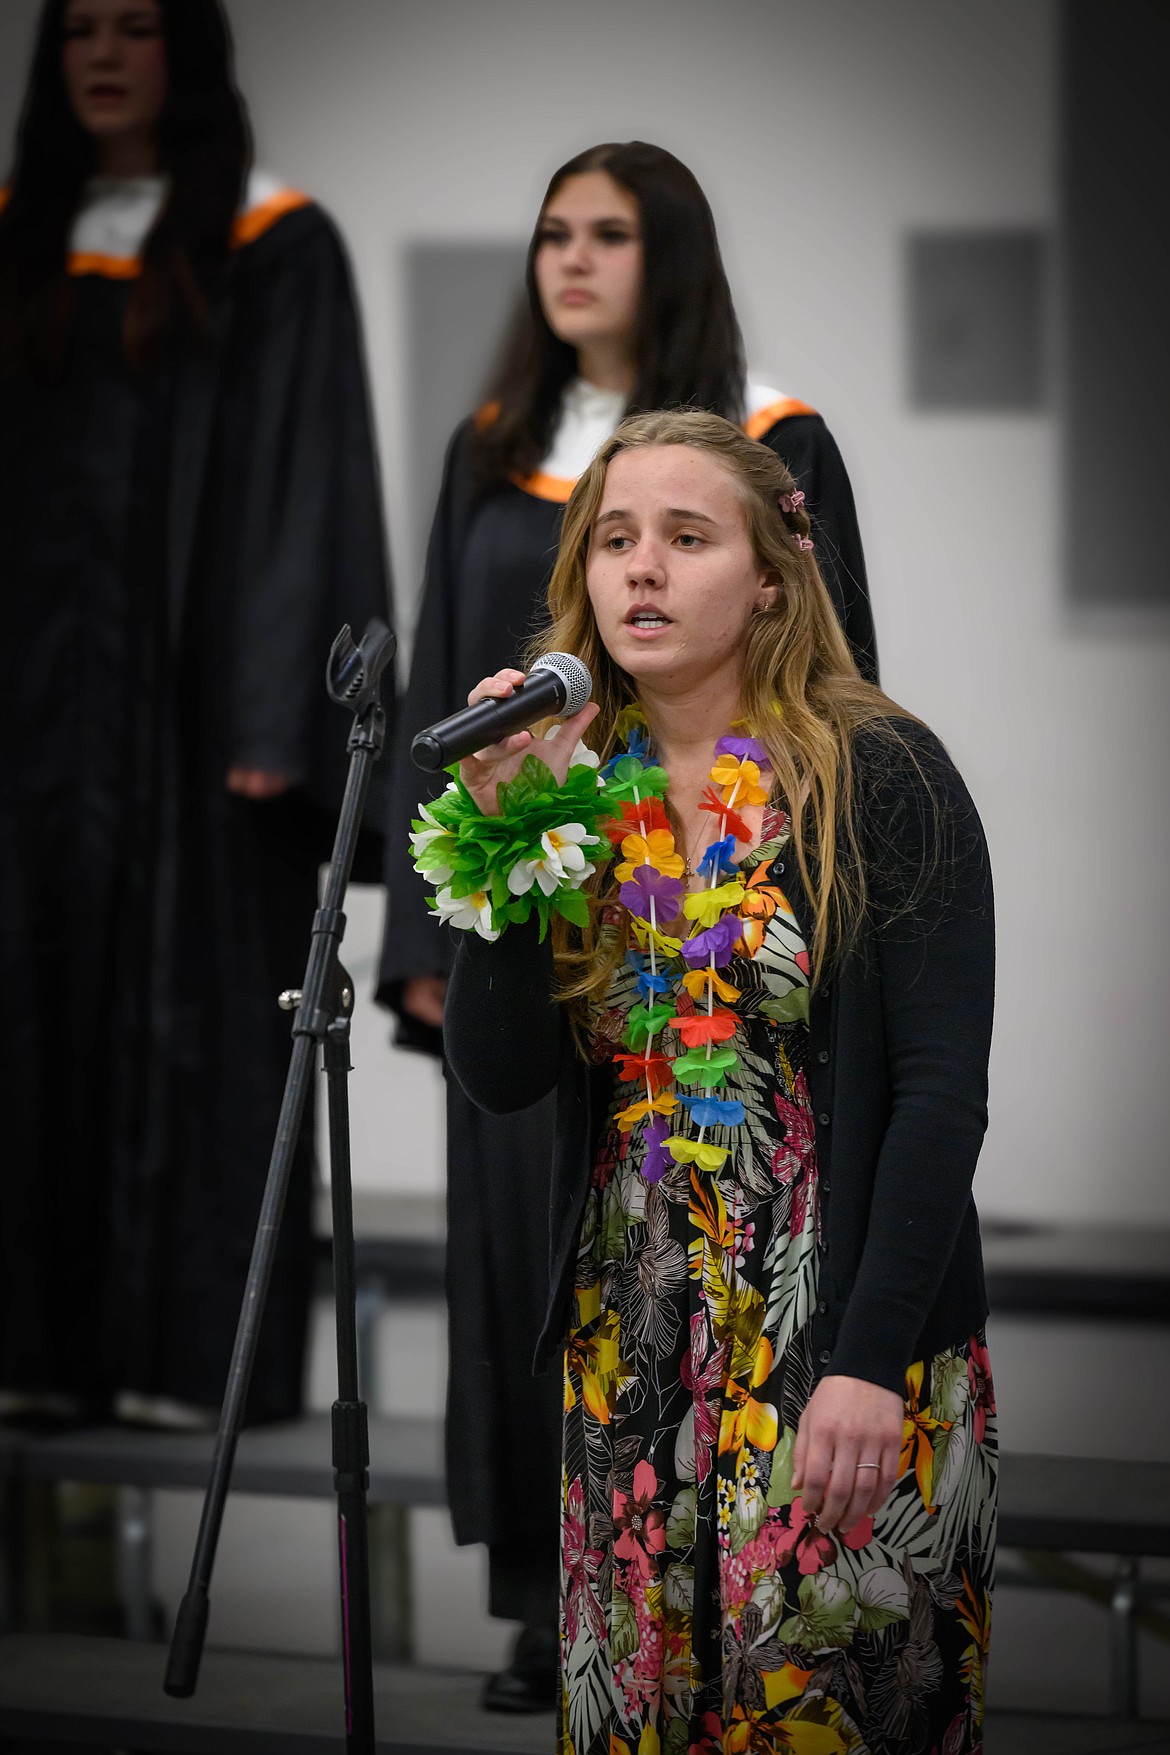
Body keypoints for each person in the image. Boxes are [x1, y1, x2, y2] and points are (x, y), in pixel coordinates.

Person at [416, 409, 996, 1753]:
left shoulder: (879, 772)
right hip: (630, 1328)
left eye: (686, 538)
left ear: (773, 580)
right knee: (634, 1716)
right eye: (615, 539)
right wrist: (510, 838)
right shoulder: (572, 788)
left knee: (823, 1710)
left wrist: (866, 1364)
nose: (642, 571)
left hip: (841, 1323)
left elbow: (939, 1095)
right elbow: (497, 1077)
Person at [380, 139, 874, 1710]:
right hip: (543, 893)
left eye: (608, 234)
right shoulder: (493, 440)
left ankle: (742, 1608)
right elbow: (445, 689)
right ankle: (549, 1595)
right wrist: (431, 922)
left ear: (673, 254)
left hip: (709, 911)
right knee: (538, 1246)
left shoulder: (770, 432)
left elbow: (827, 676)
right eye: (549, 234)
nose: (570, 261)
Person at [0, 0, 392, 1427]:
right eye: (76, 28)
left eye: (137, 24)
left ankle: (185, 1360)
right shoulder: (15, 236)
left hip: (201, 735)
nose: (104, 52)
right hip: (34, 727)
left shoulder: (272, 245)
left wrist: (284, 715)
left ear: (190, 52)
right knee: (30, 1007)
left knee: (198, 1020)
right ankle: (34, 1348)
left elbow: (310, 482)